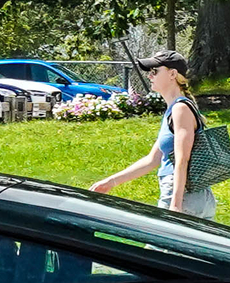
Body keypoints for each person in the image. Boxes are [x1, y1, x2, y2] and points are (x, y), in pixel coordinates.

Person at [91, 49, 217, 218]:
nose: (150, 76)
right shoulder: (173, 110)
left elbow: (182, 160)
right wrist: (110, 182)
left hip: (183, 197)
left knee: (157, 245)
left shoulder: (181, 109)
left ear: (173, 74)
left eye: (155, 71)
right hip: (190, 197)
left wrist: (175, 205)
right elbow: (152, 160)